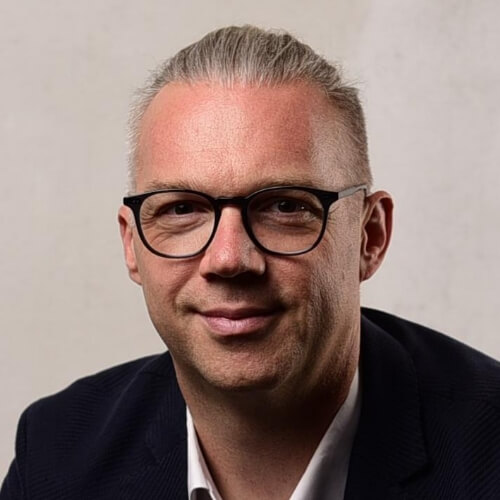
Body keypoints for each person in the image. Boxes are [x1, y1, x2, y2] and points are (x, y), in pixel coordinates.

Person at [2, 25, 500, 500]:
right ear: (132, 244)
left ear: (370, 236)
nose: (228, 258)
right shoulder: (55, 459)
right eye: (182, 209)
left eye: (285, 206)